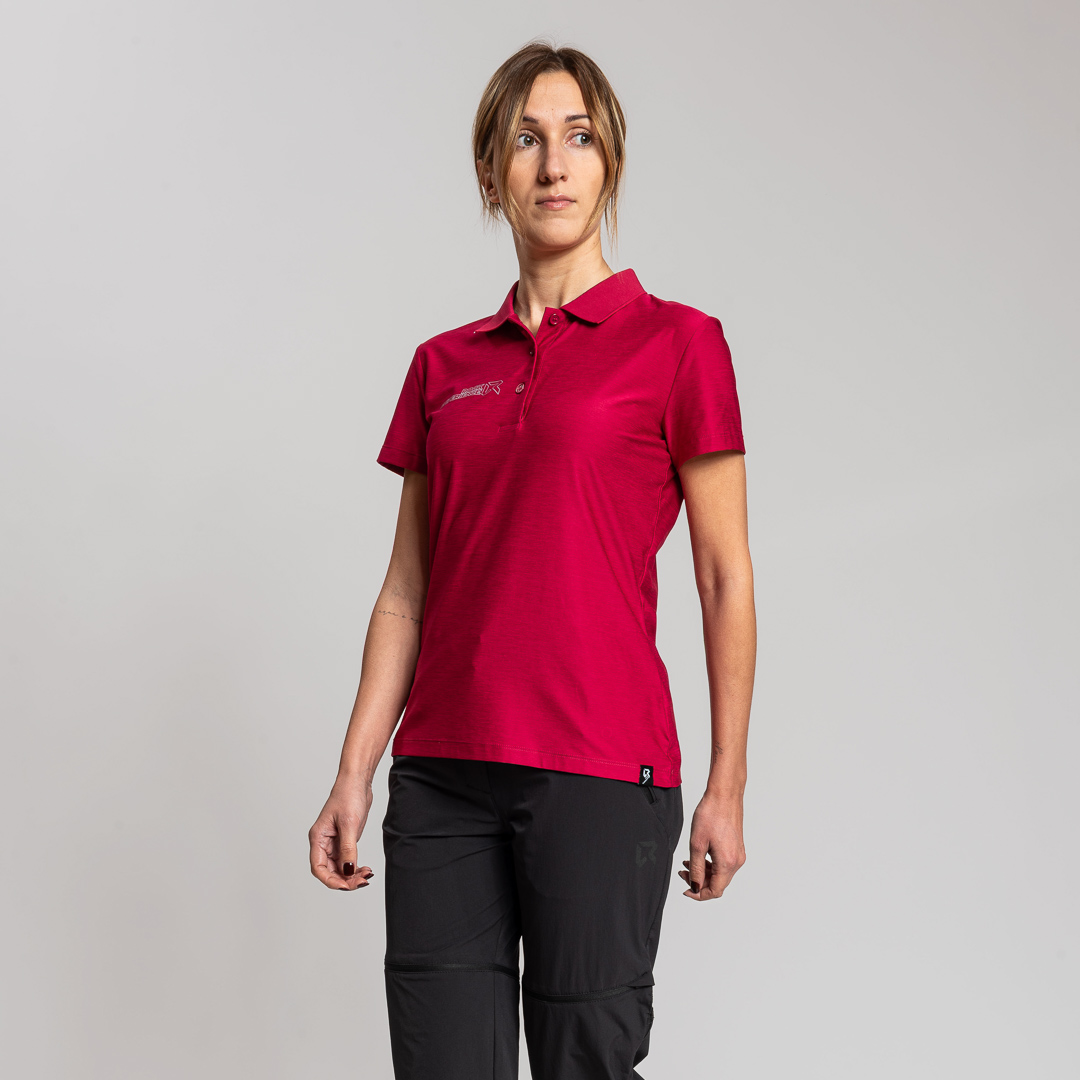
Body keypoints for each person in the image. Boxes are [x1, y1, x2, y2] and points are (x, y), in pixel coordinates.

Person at [308, 39, 756, 1080]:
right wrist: (353, 773)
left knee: (584, 1064)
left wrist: (726, 782)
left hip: (601, 771)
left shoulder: (680, 344)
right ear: (490, 173)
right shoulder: (443, 366)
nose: (554, 164)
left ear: (610, 163)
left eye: (579, 137)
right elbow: (406, 593)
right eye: (526, 139)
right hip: (443, 777)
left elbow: (723, 577)